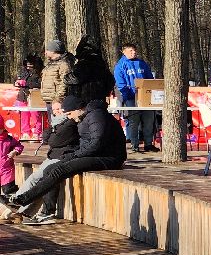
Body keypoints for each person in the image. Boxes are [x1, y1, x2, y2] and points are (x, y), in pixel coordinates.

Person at [2, 94, 127, 226]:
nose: (69, 117)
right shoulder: (86, 117)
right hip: (95, 154)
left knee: (61, 169)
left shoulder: (97, 116)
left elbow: (97, 143)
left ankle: (21, 201)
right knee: (51, 168)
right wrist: (73, 155)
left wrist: (74, 155)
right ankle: (44, 211)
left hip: (109, 158)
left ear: (79, 108)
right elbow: (87, 143)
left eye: (70, 113)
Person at [114, 42, 157, 153]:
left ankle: (148, 144)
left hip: (145, 97)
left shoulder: (141, 63)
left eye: (134, 50)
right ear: (124, 52)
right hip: (131, 97)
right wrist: (128, 96)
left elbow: (149, 79)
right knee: (134, 122)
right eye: (130, 51)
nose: (133, 53)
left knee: (148, 120)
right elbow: (121, 84)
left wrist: (150, 92)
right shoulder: (120, 65)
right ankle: (135, 145)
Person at [40, 40, 74, 115]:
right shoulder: (51, 64)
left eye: (47, 50)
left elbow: (65, 83)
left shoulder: (64, 64)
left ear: (54, 51)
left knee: (59, 124)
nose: (45, 52)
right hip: (50, 100)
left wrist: (58, 99)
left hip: (58, 102)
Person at [0, 128, 21, 196]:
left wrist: (15, 151)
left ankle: (15, 203)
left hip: (6, 170)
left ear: (3, 128)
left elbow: (18, 145)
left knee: (9, 190)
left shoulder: (9, 138)